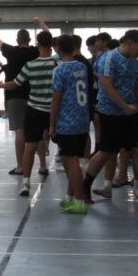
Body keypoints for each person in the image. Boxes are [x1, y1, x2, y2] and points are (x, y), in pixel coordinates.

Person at [83, 30, 138, 204]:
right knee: (106, 151)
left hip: (131, 113)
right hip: (111, 113)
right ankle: (85, 188)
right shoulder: (109, 59)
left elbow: (137, 88)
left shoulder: (133, 62)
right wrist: (124, 106)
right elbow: (107, 87)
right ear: (129, 43)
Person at [0, 15, 50, 175]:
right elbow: (47, 39)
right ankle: (43, 166)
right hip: (33, 96)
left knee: (20, 132)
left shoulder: (11, 52)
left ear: (17, 40)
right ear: (30, 40)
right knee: (37, 134)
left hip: (13, 97)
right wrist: (41, 23)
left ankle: (21, 166)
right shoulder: (34, 52)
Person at [0, 31, 56, 197]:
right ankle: (69, 187)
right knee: (62, 149)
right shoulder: (57, 62)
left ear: (37, 44)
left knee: (30, 145)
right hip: (52, 109)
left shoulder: (31, 65)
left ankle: (25, 184)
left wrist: (0, 85)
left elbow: (15, 84)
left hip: (35, 109)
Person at [50, 34, 92, 215]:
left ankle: (80, 201)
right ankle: (70, 196)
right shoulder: (81, 66)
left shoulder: (60, 70)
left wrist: (51, 123)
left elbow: (56, 100)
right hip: (82, 119)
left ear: (58, 49)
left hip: (67, 121)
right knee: (71, 160)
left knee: (71, 161)